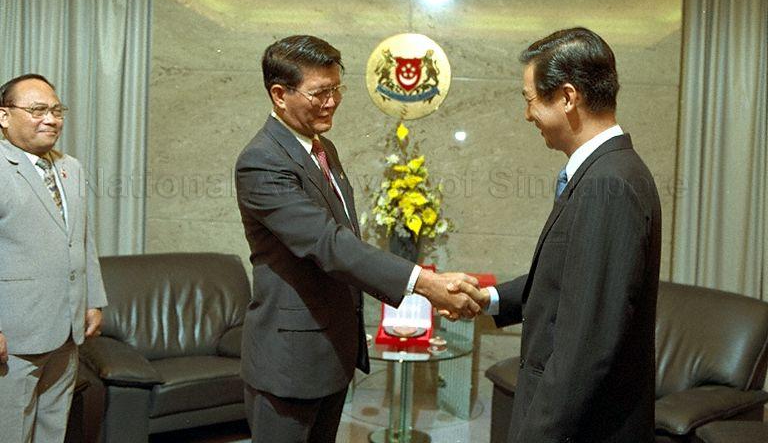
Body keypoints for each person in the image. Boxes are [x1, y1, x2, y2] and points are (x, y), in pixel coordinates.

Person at [235, 35, 482, 443]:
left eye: (336, 89)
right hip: (289, 362)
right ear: (279, 95)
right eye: (320, 93)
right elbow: (329, 243)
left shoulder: (322, 147)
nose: (332, 102)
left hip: (330, 354)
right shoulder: (262, 161)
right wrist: (424, 283)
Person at [473, 28, 662, 442]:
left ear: (568, 97)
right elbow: (571, 281)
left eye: (530, 100)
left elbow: (586, 345)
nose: (527, 116)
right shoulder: (606, 173)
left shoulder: (609, 186)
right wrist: (489, 298)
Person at [0, 73, 107, 443]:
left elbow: (82, 239)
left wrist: (93, 299)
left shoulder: (70, 167)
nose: (51, 119)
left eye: (56, 110)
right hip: (14, 338)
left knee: (53, 431)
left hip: (66, 332)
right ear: (4, 116)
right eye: (37, 110)